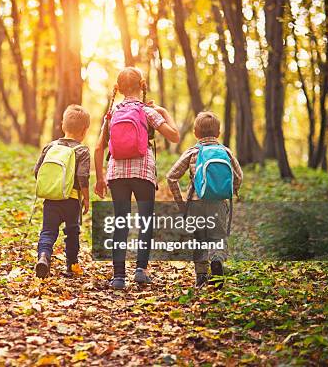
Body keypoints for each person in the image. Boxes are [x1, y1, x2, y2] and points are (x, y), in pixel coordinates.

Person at [94, 67, 180, 290]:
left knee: (120, 222)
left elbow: (98, 147)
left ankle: (119, 276)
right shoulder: (147, 112)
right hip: (143, 171)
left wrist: (100, 179)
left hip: (117, 173)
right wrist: (163, 111)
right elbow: (174, 136)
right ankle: (141, 270)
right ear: (142, 84)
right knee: (145, 221)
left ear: (118, 88)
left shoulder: (112, 113)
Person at [166, 111, 243, 288]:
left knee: (200, 238)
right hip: (218, 203)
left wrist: (181, 203)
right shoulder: (225, 152)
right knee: (217, 237)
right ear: (219, 133)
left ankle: (201, 277)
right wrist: (229, 191)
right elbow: (239, 176)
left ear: (195, 133)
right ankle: (216, 263)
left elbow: (171, 177)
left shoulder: (193, 152)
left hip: (195, 202)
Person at [34, 105, 91, 278]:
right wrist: (86, 199)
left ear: (62, 125)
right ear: (84, 130)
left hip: (51, 199)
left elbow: (37, 171)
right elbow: (83, 177)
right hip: (71, 201)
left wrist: (52, 186)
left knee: (48, 231)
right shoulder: (82, 150)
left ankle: (44, 257)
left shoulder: (50, 147)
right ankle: (71, 266)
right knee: (72, 232)